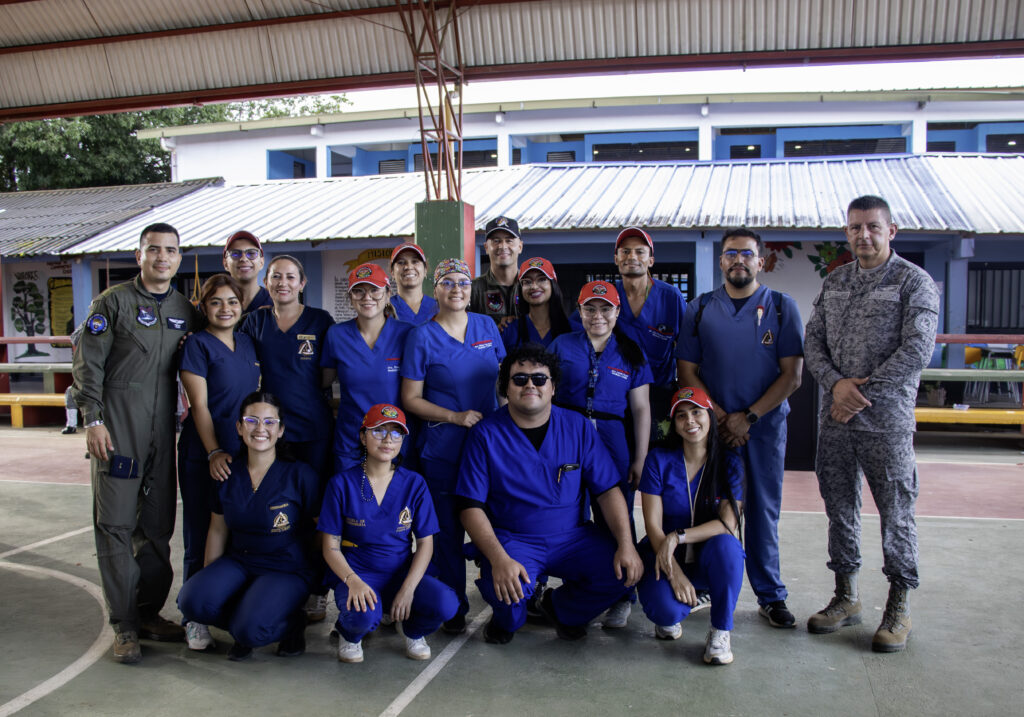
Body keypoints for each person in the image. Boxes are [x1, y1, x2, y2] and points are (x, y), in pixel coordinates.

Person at [803, 195, 939, 653]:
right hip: (836, 422)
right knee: (839, 509)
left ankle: (898, 606)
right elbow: (813, 339)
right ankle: (846, 597)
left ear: (891, 230)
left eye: (873, 227)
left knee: (895, 515)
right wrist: (834, 384)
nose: (864, 235)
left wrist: (858, 396)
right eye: (855, 227)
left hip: (887, 423)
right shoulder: (836, 281)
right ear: (847, 232)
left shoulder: (913, 282)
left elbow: (917, 350)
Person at [71, 222, 200, 663]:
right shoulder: (113, 304)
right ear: (139, 254)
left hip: (164, 434)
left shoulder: (186, 307)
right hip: (118, 432)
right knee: (115, 527)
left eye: (170, 250)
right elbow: (88, 364)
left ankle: (147, 612)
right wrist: (93, 419)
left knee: (158, 530)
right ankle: (124, 624)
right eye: (153, 250)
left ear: (179, 257)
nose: (162, 257)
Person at [457, 345, 644, 644]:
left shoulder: (578, 427)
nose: (530, 385)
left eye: (539, 379)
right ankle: (507, 616)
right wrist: (498, 558)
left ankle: (561, 609)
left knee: (623, 571)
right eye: (519, 379)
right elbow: (470, 506)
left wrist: (626, 544)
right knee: (506, 598)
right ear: (506, 387)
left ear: (553, 387)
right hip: (514, 540)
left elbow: (608, 491)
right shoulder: (486, 435)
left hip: (572, 538)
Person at [676, 228, 804, 630]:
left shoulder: (782, 307)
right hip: (712, 429)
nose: (738, 261)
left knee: (763, 511)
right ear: (720, 261)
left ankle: (770, 595)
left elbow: (793, 375)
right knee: (709, 507)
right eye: (730, 254)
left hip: (763, 429)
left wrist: (747, 418)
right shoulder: (699, 309)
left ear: (760, 261)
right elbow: (687, 371)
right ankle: (708, 586)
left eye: (747, 254)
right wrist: (719, 417)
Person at [401, 258, 506, 633]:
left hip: (488, 446)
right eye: (448, 283)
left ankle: (503, 601)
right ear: (436, 291)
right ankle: (454, 605)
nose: (456, 289)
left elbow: (504, 382)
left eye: (463, 282)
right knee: (445, 530)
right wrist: (455, 416)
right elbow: (410, 398)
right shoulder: (421, 336)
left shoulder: (487, 326)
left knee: (494, 524)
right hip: (443, 447)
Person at [177, 392, 319, 661]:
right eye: (251, 420)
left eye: (269, 422)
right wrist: (213, 581)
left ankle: (291, 625)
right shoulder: (227, 472)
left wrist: (317, 577)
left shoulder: (300, 475)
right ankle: (245, 621)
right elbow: (218, 530)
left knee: (251, 631)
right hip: (240, 562)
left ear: (280, 430)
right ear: (239, 427)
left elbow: (323, 531)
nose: (260, 428)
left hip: (286, 568)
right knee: (193, 602)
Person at [319, 404, 459, 663]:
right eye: (378, 431)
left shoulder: (414, 483)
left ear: (403, 440)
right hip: (359, 572)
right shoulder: (341, 484)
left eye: (396, 433)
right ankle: (349, 634)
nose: (387, 439)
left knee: (446, 604)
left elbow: (426, 543)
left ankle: (413, 630)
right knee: (362, 616)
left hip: (400, 571)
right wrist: (353, 581)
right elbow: (330, 546)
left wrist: (407, 589)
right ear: (363, 437)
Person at [549, 280, 652, 629]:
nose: (598, 316)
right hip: (566, 437)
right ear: (579, 311)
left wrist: (639, 459)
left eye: (605, 308)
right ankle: (577, 587)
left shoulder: (631, 351)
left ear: (617, 312)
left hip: (612, 442)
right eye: (590, 308)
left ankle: (622, 594)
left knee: (617, 517)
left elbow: (640, 409)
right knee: (567, 514)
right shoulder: (562, 346)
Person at [177, 274, 261, 650]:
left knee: (235, 533)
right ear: (203, 307)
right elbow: (200, 405)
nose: (225, 308)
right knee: (200, 534)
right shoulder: (196, 345)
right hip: (205, 455)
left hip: (244, 454)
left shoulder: (246, 342)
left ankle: (223, 604)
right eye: (216, 302)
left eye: (231, 301)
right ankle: (194, 617)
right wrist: (213, 452)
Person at [637, 387, 745, 665]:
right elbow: (652, 524)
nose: (690, 421)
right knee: (666, 613)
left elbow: (727, 524)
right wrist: (674, 572)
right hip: (664, 555)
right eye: (681, 416)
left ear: (710, 416)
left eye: (697, 412)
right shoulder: (658, 460)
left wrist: (679, 537)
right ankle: (680, 600)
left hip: (707, 555)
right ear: (674, 424)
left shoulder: (729, 463)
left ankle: (720, 631)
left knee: (728, 548)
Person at [239, 254, 334, 479]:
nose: (283, 283)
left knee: (314, 496)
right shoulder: (255, 321)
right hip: (269, 428)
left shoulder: (320, 320)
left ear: (302, 284)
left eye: (290, 277)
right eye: (276, 277)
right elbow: (234, 356)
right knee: (278, 497)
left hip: (313, 426)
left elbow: (328, 376)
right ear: (266, 282)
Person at [322, 262, 414, 472]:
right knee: (350, 499)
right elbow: (324, 381)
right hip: (351, 438)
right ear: (350, 296)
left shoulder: (408, 334)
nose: (367, 297)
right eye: (359, 291)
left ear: (388, 293)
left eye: (374, 290)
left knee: (393, 501)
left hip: (394, 439)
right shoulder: (336, 335)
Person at [611, 227, 686, 442]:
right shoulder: (607, 298)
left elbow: (689, 349)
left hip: (659, 395)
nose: (631, 257)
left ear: (651, 260)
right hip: (617, 394)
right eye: (625, 251)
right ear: (616, 258)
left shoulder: (670, 297)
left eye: (639, 251)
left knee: (658, 457)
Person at [500, 257, 573, 352]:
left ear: (553, 284)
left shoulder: (574, 329)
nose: (534, 286)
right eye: (527, 282)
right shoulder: (509, 329)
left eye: (542, 279)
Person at [470, 216, 523, 323]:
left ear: (520, 247)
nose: (503, 246)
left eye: (509, 241)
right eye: (496, 241)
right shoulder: (472, 289)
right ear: (486, 247)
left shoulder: (530, 286)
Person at [222, 230, 273, 314]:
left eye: (251, 253)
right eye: (235, 254)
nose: (244, 259)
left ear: (261, 262)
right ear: (225, 263)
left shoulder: (275, 304)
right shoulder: (213, 304)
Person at [389, 242, 438, 325]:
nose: (408, 267)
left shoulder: (438, 309)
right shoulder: (384, 309)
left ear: (425, 270)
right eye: (401, 262)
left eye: (415, 261)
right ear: (392, 272)